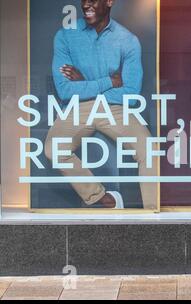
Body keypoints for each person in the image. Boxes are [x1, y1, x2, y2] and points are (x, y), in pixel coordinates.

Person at [45, 0, 157, 209]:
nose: (87, 3)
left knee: (149, 150)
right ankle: (102, 197)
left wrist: (83, 83)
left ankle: (152, 215)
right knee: (54, 148)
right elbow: (65, 89)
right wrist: (109, 81)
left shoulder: (127, 40)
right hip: (79, 106)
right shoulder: (65, 36)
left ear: (109, 1)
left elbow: (130, 94)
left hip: (114, 108)